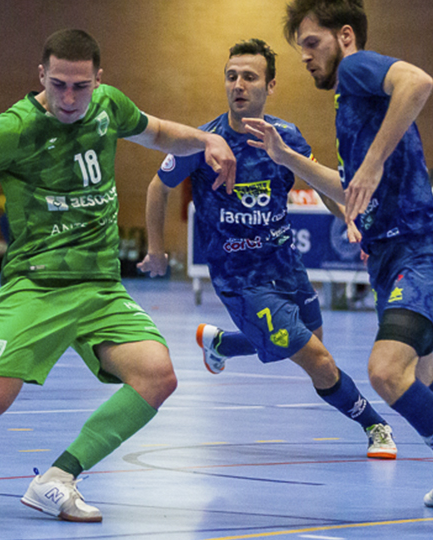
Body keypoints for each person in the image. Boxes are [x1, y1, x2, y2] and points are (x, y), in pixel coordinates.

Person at [0, 29, 236, 523]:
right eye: (58, 85)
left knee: (157, 376)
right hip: (36, 283)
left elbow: (156, 132)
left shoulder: (109, 107)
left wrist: (207, 139)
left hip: (100, 287)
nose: (69, 98)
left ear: (98, 79)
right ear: (41, 77)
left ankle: (57, 479)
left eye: (80, 86)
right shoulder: (12, 130)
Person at [243, 0, 433, 532]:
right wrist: (287, 158)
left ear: (345, 37)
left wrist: (375, 161)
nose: (307, 58)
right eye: (301, 50)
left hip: (424, 246)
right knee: (422, 371)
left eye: (313, 45)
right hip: (388, 255)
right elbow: (349, 187)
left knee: (385, 371)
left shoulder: (359, 69)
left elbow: (419, 82)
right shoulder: (351, 101)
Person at [139, 38, 396, 460]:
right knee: (318, 361)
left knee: (306, 340)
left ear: (270, 86)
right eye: (231, 76)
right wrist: (156, 248)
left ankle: (222, 345)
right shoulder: (203, 142)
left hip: (285, 263)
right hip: (240, 281)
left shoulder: (286, 136)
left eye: (250, 77)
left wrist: (348, 218)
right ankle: (376, 424)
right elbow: (157, 186)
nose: (238, 84)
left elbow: (318, 182)